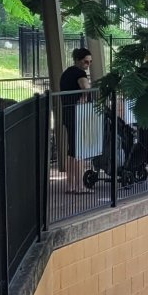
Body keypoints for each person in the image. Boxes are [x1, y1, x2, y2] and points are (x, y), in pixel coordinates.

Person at [57, 48, 92, 194]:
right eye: (86, 61)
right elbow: (86, 87)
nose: (88, 64)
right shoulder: (79, 73)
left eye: (90, 62)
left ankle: (71, 185)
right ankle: (79, 186)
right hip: (78, 115)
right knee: (79, 152)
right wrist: (84, 98)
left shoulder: (66, 73)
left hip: (68, 114)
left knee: (72, 151)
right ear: (78, 60)